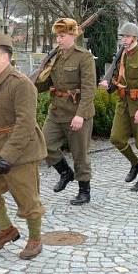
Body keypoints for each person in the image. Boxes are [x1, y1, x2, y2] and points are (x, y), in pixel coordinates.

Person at [0, 33, 47, 260]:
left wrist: (8, 156)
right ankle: (7, 230)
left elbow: (25, 124)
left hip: (20, 150)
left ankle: (35, 239)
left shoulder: (21, 84)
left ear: (4, 57)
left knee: (28, 199)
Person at [33, 18, 96, 205]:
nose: (58, 40)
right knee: (44, 144)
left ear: (72, 35)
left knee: (80, 154)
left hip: (77, 112)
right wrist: (35, 78)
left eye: (62, 36)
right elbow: (46, 84)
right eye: (57, 36)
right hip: (56, 111)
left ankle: (84, 191)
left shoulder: (84, 57)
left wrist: (80, 115)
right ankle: (65, 173)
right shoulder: (56, 57)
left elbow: (89, 89)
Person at [99, 22, 138, 192]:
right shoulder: (122, 55)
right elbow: (118, 79)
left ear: (135, 38)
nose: (123, 39)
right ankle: (135, 163)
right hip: (123, 103)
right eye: (122, 36)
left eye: (126, 36)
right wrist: (108, 85)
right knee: (116, 138)